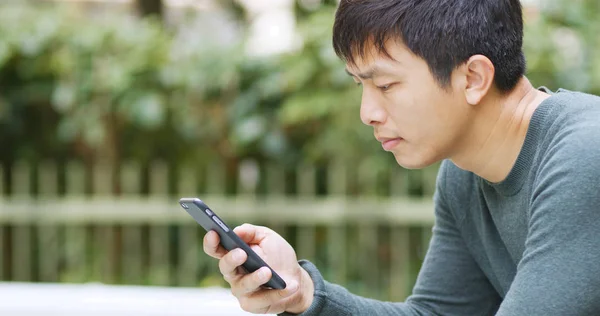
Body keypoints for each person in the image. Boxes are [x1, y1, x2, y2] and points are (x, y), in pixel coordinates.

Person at [203, 0, 600, 315]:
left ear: (474, 78)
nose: (367, 112)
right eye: (360, 85)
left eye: (386, 85)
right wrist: (303, 294)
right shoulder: (463, 173)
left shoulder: (585, 155)